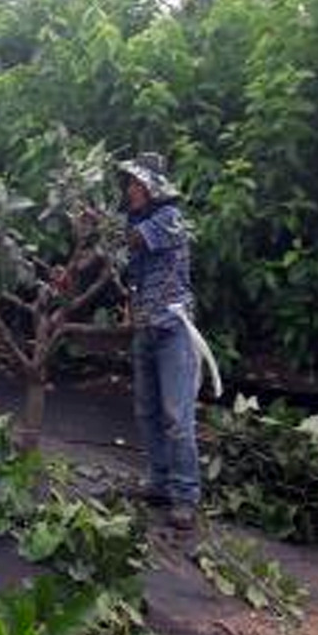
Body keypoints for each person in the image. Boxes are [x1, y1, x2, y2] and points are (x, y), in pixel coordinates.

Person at [118, 152, 200, 531]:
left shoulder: (169, 219)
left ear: (153, 188)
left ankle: (185, 495)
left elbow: (130, 242)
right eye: (129, 184)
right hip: (145, 328)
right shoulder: (136, 220)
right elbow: (128, 271)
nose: (130, 190)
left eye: (136, 184)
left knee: (176, 416)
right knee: (146, 411)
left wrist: (96, 224)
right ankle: (159, 483)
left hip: (172, 328)